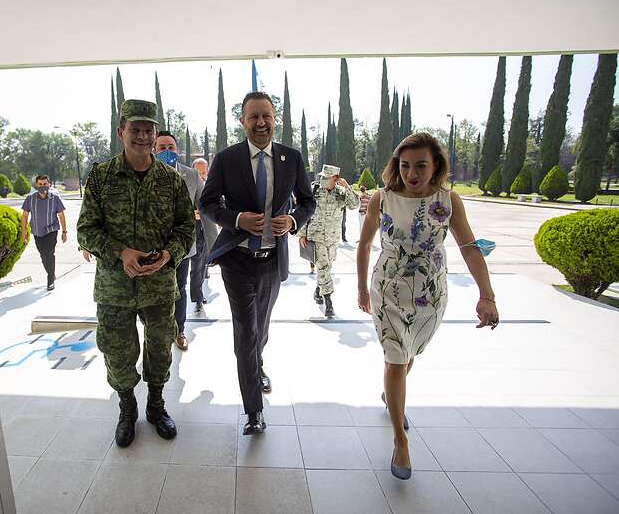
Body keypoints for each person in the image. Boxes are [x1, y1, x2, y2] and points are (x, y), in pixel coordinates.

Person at [357, 132, 499, 480]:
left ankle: (392, 397)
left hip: (430, 292)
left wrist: (487, 295)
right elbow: (363, 244)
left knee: (409, 355)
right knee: (394, 357)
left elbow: (468, 246)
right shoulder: (382, 198)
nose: (412, 173)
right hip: (388, 288)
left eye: (420, 165)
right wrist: (361, 289)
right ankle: (400, 441)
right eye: (405, 165)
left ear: (436, 166)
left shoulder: (449, 201)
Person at [77, 100, 195, 448]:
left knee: (159, 348)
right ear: (121, 132)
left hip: (159, 286)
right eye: (135, 129)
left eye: (149, 129)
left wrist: (170, 254)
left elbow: (186, 229)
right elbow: (86, 230)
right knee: (117, 350)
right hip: (115, 287)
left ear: (155, 133)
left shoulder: (171, 181)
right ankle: (127, 408)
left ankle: (156, 406)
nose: (143, 136)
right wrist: (120, 252)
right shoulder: (100, 177)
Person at [199, 91, 315, 435]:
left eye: (267, 116)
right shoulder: (226, 158)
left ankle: (258, 362)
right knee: (246, 332)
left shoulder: (292, 158)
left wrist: (293, 221)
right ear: (243, 122)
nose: (261, 122)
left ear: (274, 119)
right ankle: (254, 411)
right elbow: (208, 203)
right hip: (236, 260)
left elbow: (308, 202)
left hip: (270, 261)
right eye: (254, 117)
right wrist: (236, 220)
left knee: (260, 329)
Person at [154, 131, 217, 350]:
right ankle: (156, 331)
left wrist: (215, 247)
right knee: (154, 291)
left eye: (170, 147)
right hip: (151, 248)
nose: (167, 151)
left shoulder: (191, 176)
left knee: (179, 288)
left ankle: (179, 330)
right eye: (162, 147)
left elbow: (205, 210)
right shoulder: (143, 173)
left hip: (182, 247)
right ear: (154, 149)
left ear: (177, 150)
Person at [298, 165, 360, 317]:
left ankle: (319, 291)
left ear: (335, 179)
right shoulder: (314, 190)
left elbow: (354, 205)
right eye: (322, 176)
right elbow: (303, 210)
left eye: (326, 177)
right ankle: (329, 302)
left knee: (328, 266)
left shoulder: (341, 193)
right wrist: (301, 234)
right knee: (323, 266)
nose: (322, 179)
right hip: (316, 236)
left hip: (333, 238)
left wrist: (347, 187)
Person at [20, 175, 67, 291]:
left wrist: (64, 232)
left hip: (51, 230)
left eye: (45, 184)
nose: (42, 186)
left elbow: (61, 215)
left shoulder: (55, 198)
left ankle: (50, 279)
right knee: (43, 255)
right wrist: (24, 231)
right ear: (36, 185)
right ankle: (51, 273)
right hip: (37, 231)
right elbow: (25, 215)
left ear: (49, 184)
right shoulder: (30, 199)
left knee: (49, 253)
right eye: (40, 184)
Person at [189, 158, 217, 310]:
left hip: (205, 233)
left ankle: (198, 297)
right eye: (198, 172)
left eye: (204, 172)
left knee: (201, 266)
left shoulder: (211, 189)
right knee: (196, 268)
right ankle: (198, 299)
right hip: (190, 233)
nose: (201, 175)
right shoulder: (187, 186)